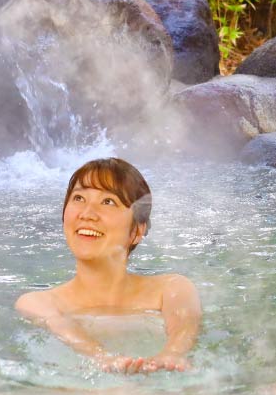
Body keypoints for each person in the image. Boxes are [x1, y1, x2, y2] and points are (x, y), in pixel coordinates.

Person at [15, 157, 201, 374]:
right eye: (78, 198)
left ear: (137, 231)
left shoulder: (170, 289)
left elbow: (183, 324)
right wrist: (102, 358)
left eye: (108, 202)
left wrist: (173, 354)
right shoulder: (38, 302)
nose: (87, 214)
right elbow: (63, 327)